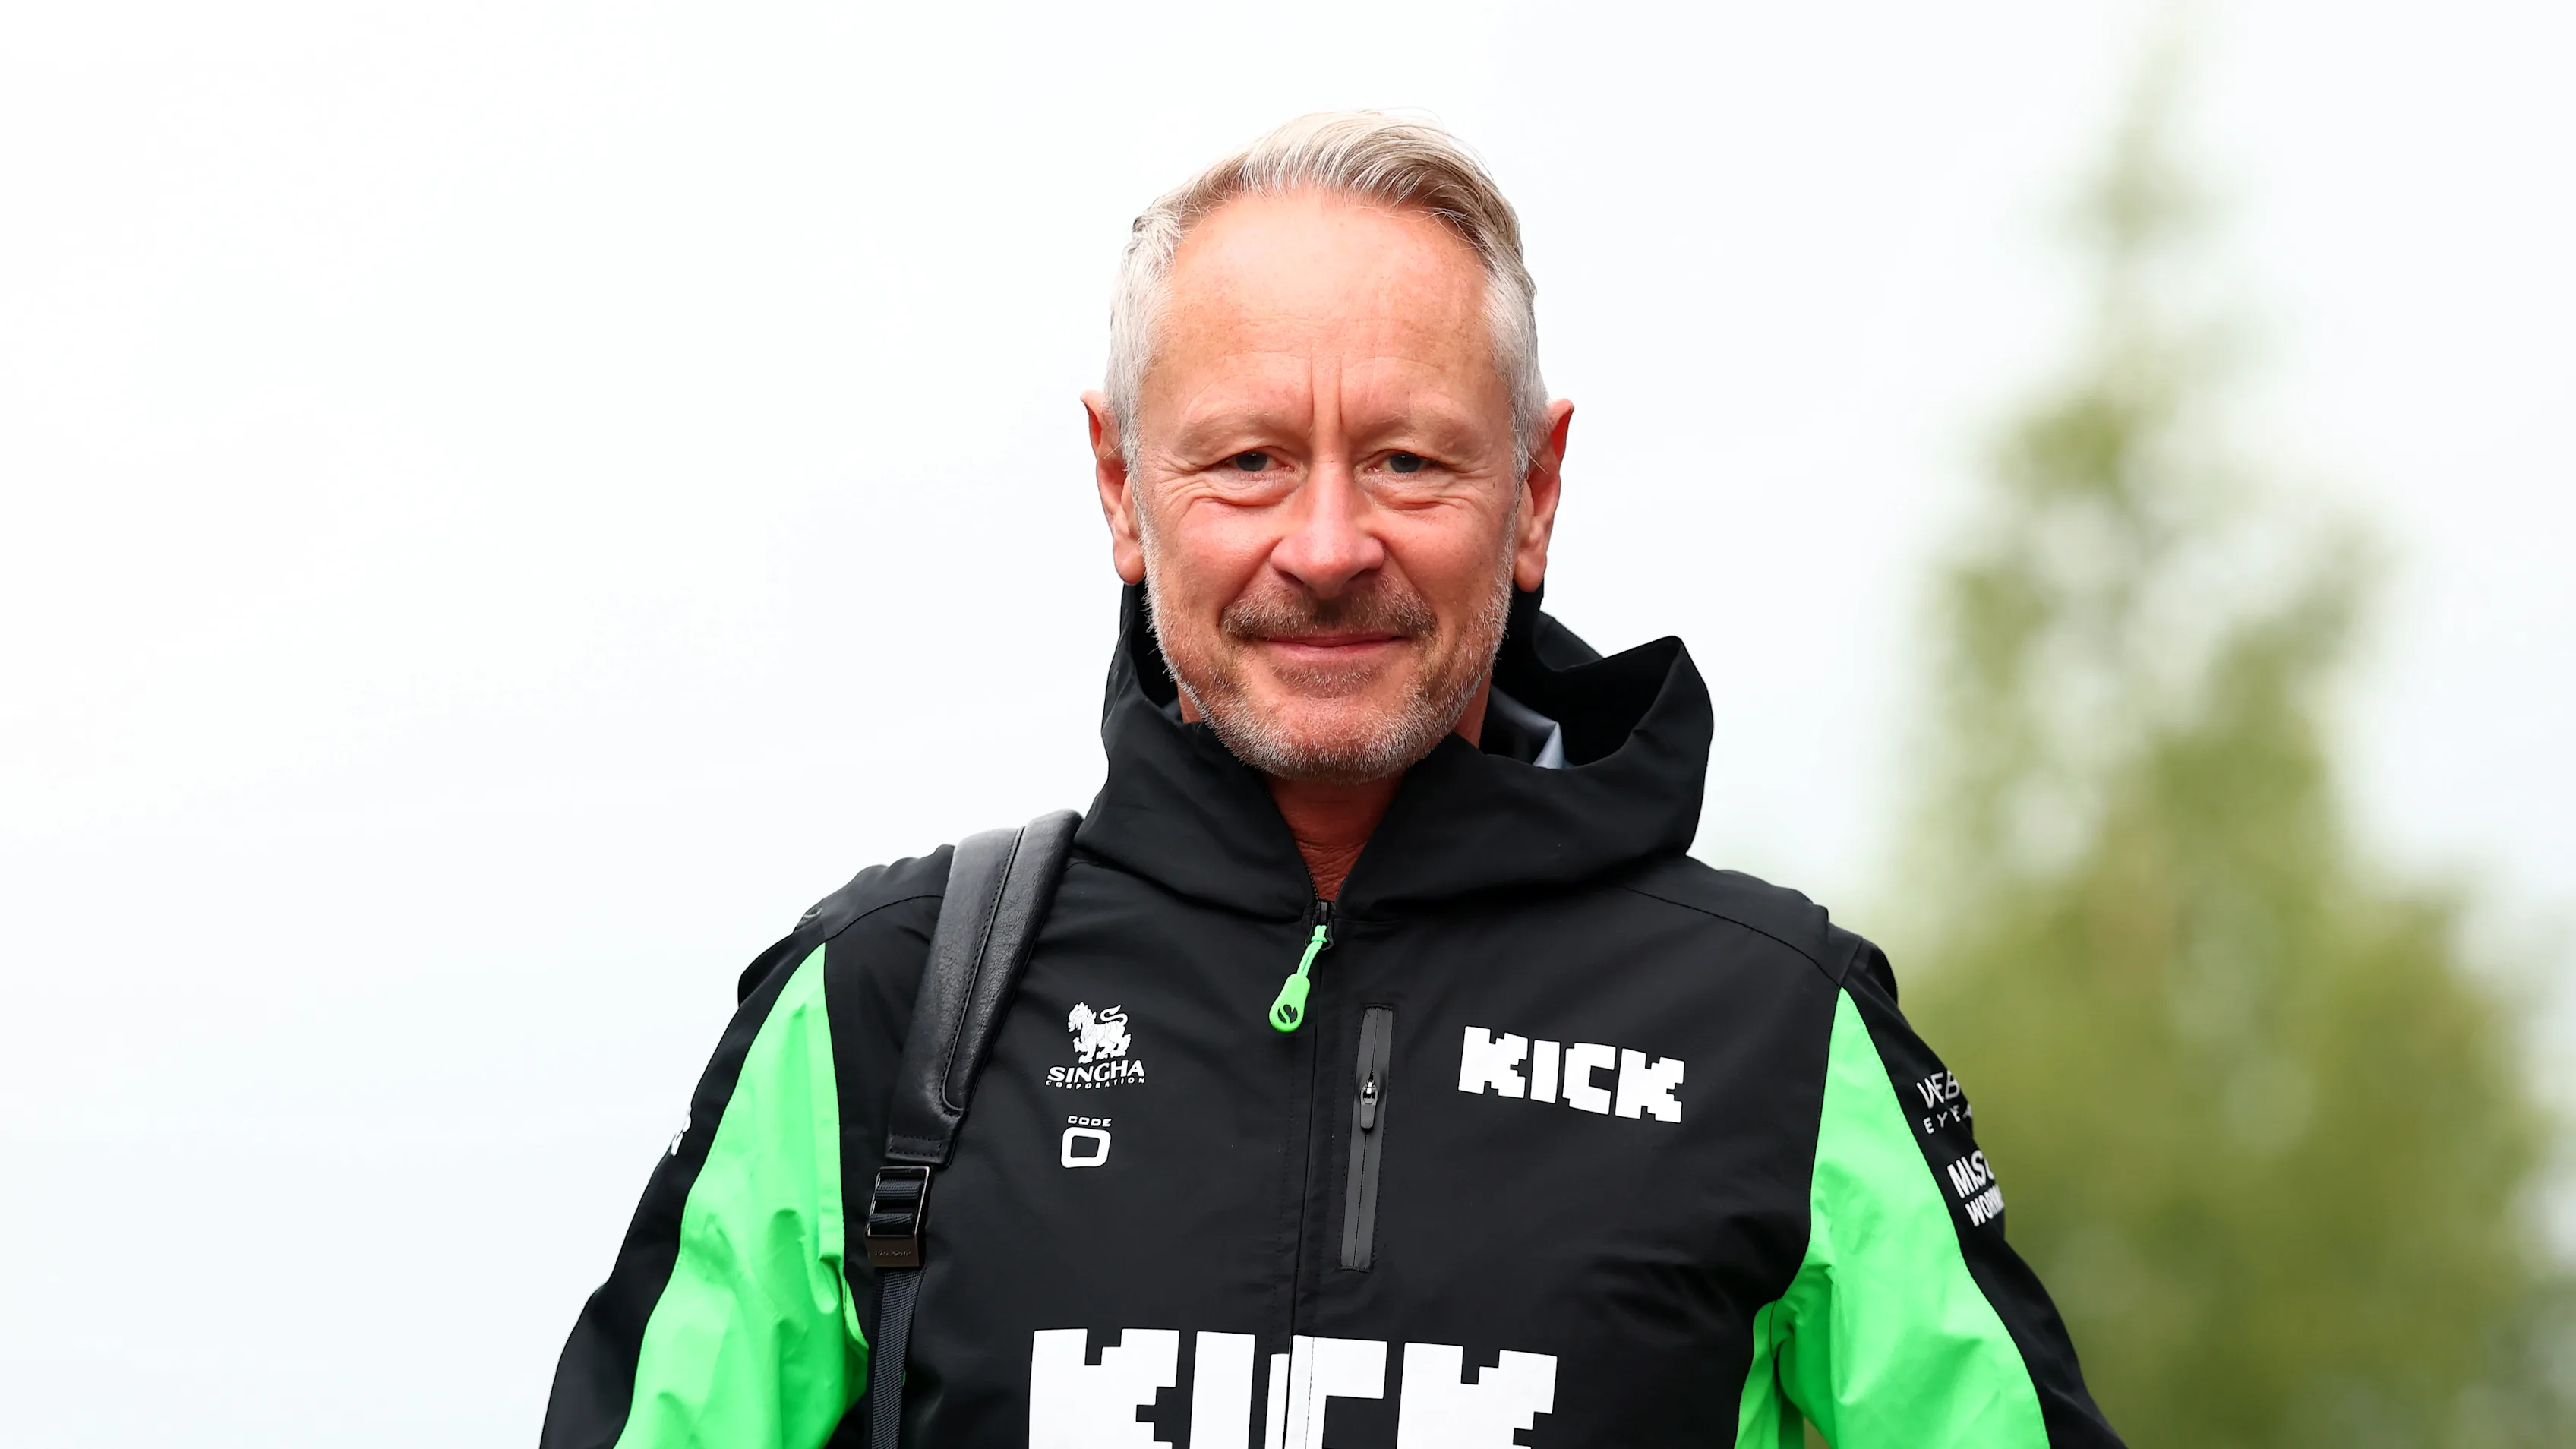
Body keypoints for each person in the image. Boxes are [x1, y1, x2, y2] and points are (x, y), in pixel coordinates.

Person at [541, 112, 2123, 1449]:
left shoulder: (1777, 1036)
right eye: (1244, 462)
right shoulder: (880, 1016)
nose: (1322, 545)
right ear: (1118, 487)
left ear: (1533, 490)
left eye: (1408, 460)